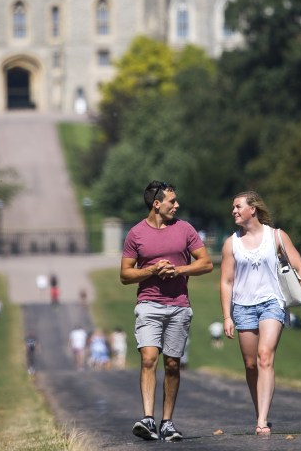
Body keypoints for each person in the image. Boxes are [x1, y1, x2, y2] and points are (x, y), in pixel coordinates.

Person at [120, 180, 213, 442]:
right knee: (149, 358)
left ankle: (167, 423)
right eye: (172, 201)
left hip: (179, 306)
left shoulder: (185, 229)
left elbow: (206, 264)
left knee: (172, 364)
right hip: (148, 304)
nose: (177, 205)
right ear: (157, 204)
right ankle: (148, 419)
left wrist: (178, 269)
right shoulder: (136, 234)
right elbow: (125, 275)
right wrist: (150, 270)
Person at [219, 190, 301, 437]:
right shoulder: (231, 243)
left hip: (272, 303)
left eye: (238, 206)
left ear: (252, 209)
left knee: (265, 356)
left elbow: (299, 267)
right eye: (233, 207)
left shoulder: (276, 236)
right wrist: (227, 316)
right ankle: (259, 411)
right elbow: (226, 282)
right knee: (251, 365)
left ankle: (262, 420)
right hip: (243, 307)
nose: (234, 211)